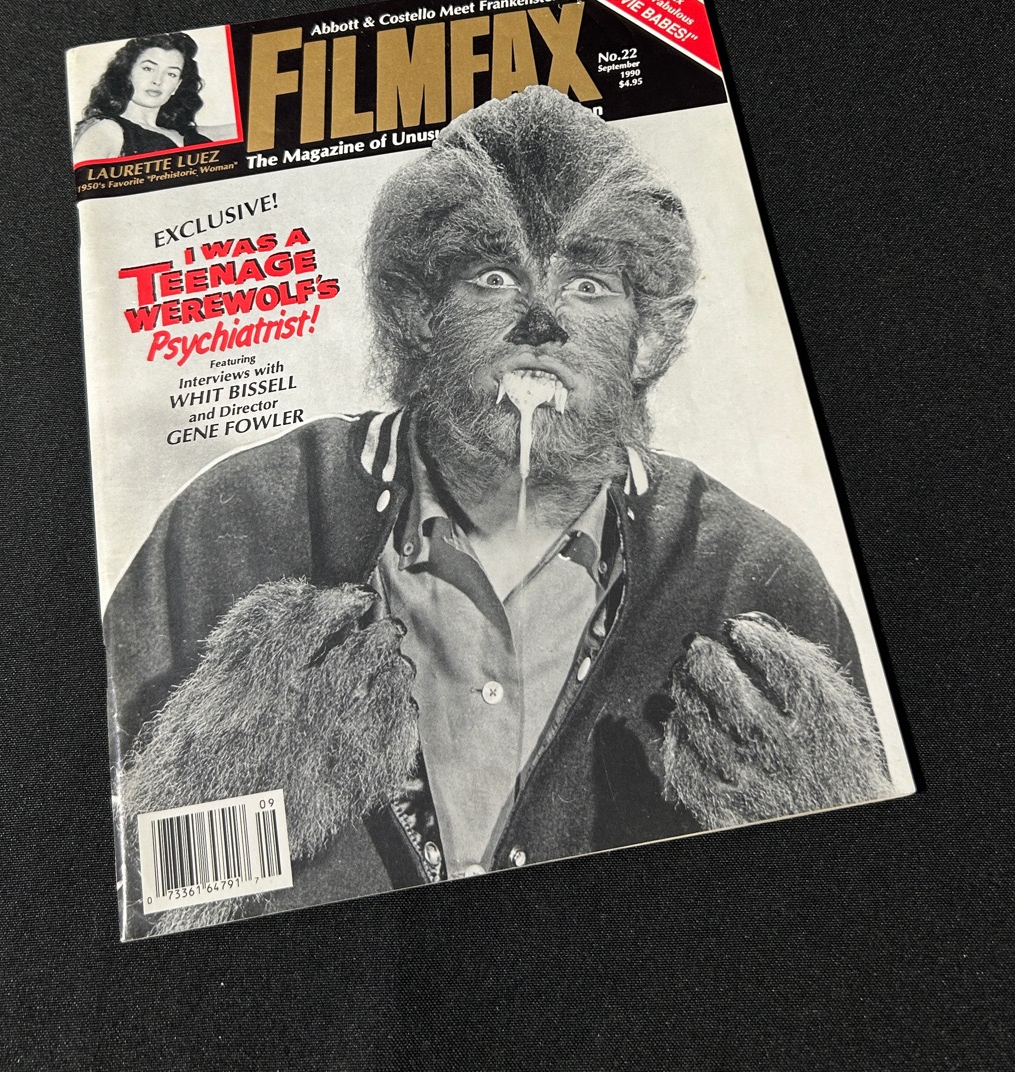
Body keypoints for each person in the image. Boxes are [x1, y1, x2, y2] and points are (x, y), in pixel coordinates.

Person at [109, 86, 891, 934]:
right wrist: (219, 802)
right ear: (417, 313)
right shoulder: (235, 525)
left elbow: (865, 930)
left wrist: (822, 827)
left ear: (650, 337)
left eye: (588, 284)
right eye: (494, 277)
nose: (542, 323)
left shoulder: (750, 573)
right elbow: (85, 890)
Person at [74, 32, 208, 159]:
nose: (158, 81)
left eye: (171, 74)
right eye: (148, 69)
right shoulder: (107, 130)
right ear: (127, 73)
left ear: (177, 85)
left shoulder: (188, 134)